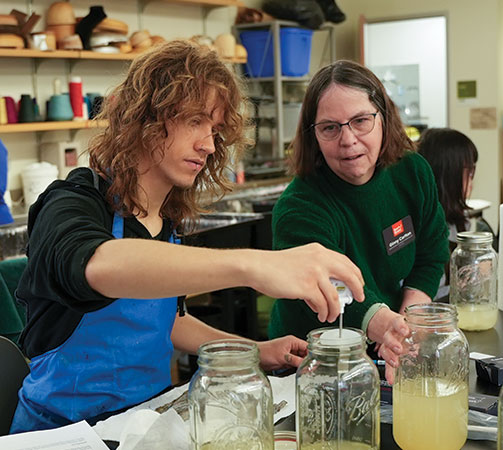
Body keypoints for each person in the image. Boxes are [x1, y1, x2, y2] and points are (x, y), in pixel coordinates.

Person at [10, 41, 365, 433]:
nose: (209, 144)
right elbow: (95, 265)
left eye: (214, 130)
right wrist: (254, 265)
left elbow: (167, 320)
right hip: (60, 432)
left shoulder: (167, 219)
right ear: (145, 116)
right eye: (195, 121)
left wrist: (251, 351)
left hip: (143, 423)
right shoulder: (73, 202)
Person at [267, 60, 450, 370]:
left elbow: (431, 255)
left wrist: (406, 328)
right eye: (330, 128)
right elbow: (331, 291)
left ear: (384, 119)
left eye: (361, 121)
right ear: (313, 136)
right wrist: (388, 328)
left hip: (384, 346)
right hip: (311, 364)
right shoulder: (299, 207)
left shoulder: (412, 173)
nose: (348, 139)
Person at [416, 128, 478, 241]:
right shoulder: (421, 228)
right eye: (468, 172)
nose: (472, 180)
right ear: (449, 174)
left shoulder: (458, 221)